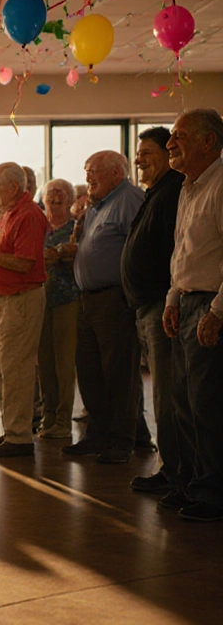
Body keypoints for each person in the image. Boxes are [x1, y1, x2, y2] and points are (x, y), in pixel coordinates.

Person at [63, 151, 146, 465]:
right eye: (86, 171)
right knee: (89, 370)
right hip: (89, 299)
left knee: (118, 373)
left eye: (94, 171)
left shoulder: (129, 200)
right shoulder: (97, 205)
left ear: (116, 173)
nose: (88, 178)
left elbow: (139, 249)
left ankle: (122, 441)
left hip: (115, 298)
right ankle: (97, 434)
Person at [163, 109, 223, 521]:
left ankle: (213, 493)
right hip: (185, 302)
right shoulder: (188, 188)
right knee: (184, 403)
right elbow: (182, 250)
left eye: (179, 136)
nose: (171, 143)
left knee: (208, 405)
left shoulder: (220, 184)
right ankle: (191, 483)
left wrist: (216, 311)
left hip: (210, 304)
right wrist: (172, 298)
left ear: (208, 141)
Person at [124, 127, 185, 493]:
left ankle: (175, 472)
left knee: (167, 395)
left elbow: (178, 252)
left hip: (164, 305)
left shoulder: (174, 190)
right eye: (138, 153)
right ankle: (171, 468)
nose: (139, 160)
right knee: (162, 394)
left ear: (168, 153)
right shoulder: (157, 192)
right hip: (148, 305)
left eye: (147, 152)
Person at [0, 162, 47, 459]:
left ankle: (19, 437)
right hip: (2, 299)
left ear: (14, 187)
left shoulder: (29, 215)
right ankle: (12, 431)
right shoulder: (8, 213)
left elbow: (26, 263)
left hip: (19, 299)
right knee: (2, 369)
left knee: (16, 370)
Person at [36, 179, 79, 441]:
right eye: (50, 194)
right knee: (44, 362)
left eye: (60, 194)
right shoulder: (39, 227)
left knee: (64, 362)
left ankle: (63, 421)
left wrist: (62, 253)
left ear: (70, 199)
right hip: (40, 299)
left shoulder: (76, 227)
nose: (54, 198)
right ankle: (48, 416)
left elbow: (82, 254)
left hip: (67, 299)